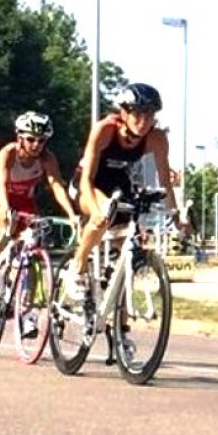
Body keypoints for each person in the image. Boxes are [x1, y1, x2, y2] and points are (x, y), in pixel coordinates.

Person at [61, 83, 178, 299]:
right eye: (138, 115)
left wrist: (176, 216)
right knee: (103, 215)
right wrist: (97, 212)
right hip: (88, 181)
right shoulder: (105, 130)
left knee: (126, 243)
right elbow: (87, 178)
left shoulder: (157, 139)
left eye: (150, 115)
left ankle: (118, 319)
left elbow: (165, 182)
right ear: (124, 112)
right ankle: (78, 267)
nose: (144, 123)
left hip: (118, 182)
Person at [0, 112, 78, 318]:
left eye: (41, 140)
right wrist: (5, 207)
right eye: (31, 139)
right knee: (3, 226)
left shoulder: (48, 159)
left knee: (35, 244)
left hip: (25, 201)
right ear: (20, 137)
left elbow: (56, 185)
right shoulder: (8, 153)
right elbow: (3, 182)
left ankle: (26, 308)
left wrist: (71, 213)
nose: (36, 145)